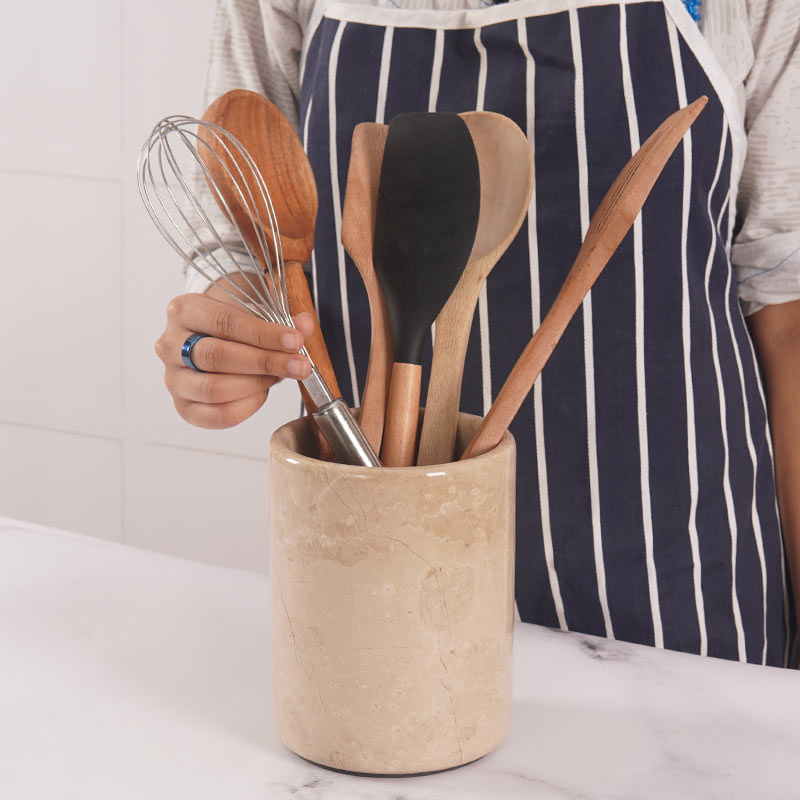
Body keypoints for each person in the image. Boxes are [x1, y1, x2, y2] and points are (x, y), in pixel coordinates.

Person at [156, 0, 800, 666]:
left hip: (674, 572)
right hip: (376, 566)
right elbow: (241, 241)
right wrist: (224, 334)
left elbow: (789, 315)